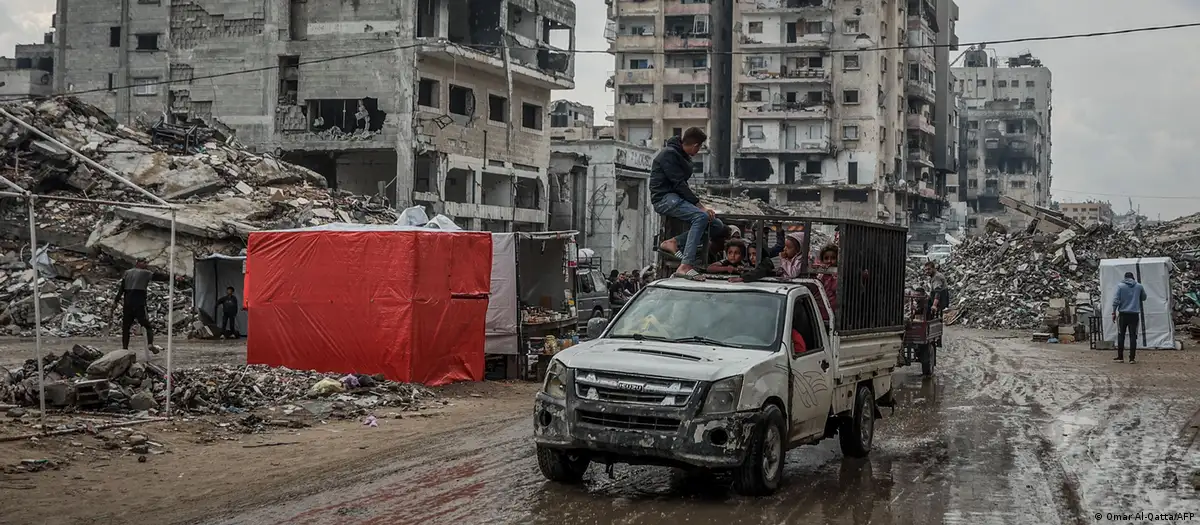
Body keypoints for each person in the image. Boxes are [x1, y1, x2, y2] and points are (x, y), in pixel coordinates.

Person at [651, 127, 726, 281]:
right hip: (663, 198)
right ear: (695, 145)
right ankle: (685, 265)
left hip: (676, 197)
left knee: (716, 224)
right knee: (701, 217)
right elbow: (679, 184)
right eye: (699, 147)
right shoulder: (669, 154)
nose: (698, 151)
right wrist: (700, 206)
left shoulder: (680, 154)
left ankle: (674, 242)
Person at [112, 259, 160, 355]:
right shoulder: (146, 273)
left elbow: (121, 289)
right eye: (144, 262)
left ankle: (125, 348)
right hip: (139, 304)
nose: (146, 264)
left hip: (128, 304)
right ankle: (150, 344)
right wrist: (174, 277)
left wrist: (116, 301)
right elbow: (159, 276)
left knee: (126, 328)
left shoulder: (127, 273)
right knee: (147, 326)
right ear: (138, 263)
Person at [1111, 271, 1147, 364]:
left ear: (1125, 278)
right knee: (1133, 336)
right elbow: (1144, 297)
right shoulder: (1139, 286)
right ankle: (1132, 358)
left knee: (1121, 335)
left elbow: (1116, 300)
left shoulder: (1120, 286)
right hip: (1134, 314)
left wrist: (1113, 312)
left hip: (1123, 314)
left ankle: (1120, 357)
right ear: (1133, 277)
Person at [815, 244, 839, 321]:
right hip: (821, 307)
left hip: (834, 309)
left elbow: (835, 288)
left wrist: (833, 275)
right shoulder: (820, 272)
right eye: (826, 258)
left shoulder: (838, 274)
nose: (829, 261)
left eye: (833, 258)